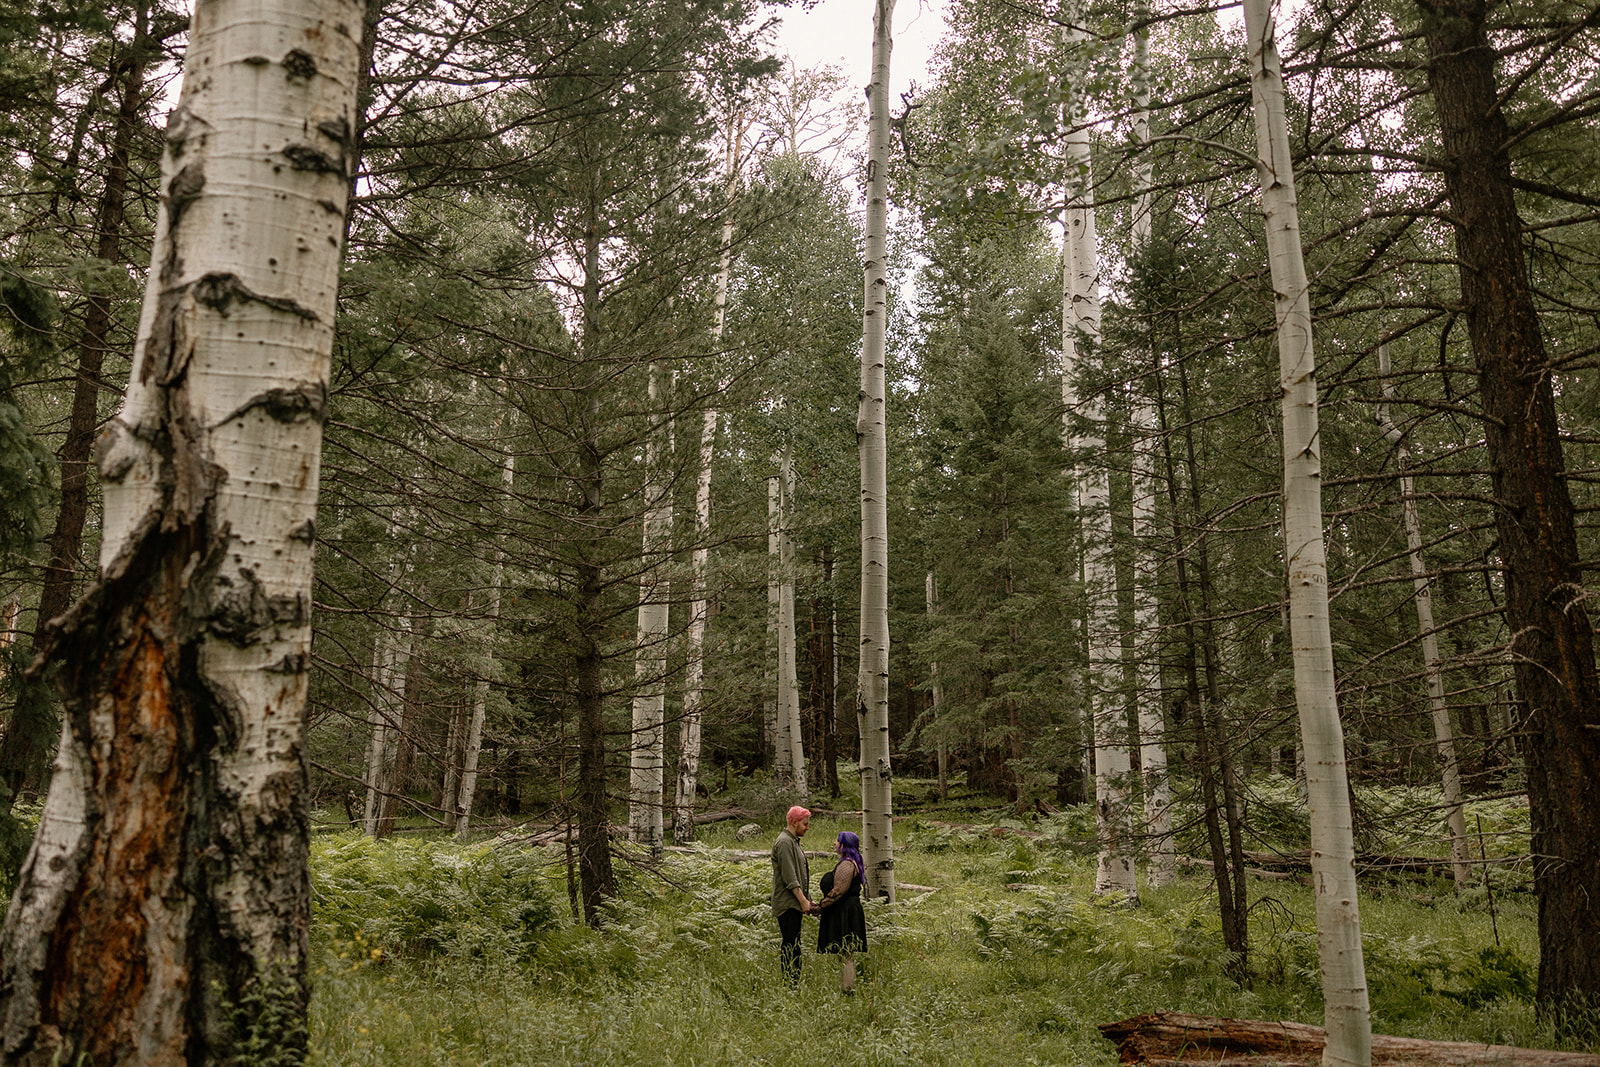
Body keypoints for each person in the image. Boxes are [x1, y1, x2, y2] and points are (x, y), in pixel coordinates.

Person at [815, 830, 867, 993]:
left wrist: (820, 906)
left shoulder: (846, 864)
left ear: (845, 845)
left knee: (847, 953)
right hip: (845, 910)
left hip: (845, 911)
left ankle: (848, 988)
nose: (835, 843)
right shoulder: (850, 862)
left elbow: (838, 890)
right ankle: (847, 986)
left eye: (837, 841)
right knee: (846, 952)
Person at [770, 805, 815, 986]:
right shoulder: (784, 843)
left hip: (795, 902)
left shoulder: (793, 841)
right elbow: (790, 877)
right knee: (790, 943)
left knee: (795, 943)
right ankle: (789, 983)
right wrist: (803, 901)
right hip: (787, 904)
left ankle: (793, 983)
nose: (807, 827)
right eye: (805, 824)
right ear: (794, 822)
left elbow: (801, 874)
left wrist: (809, 899)